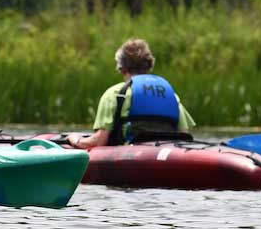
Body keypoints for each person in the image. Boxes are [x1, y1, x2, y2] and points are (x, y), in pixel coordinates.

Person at [65, 37, 197, 149]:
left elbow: (100, 141)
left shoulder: (115, 94)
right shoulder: (171, 95)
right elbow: (183, 137)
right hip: (168, 157)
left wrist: (76, 140)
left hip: (131, 156)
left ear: (121, 68)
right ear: (149, 65)